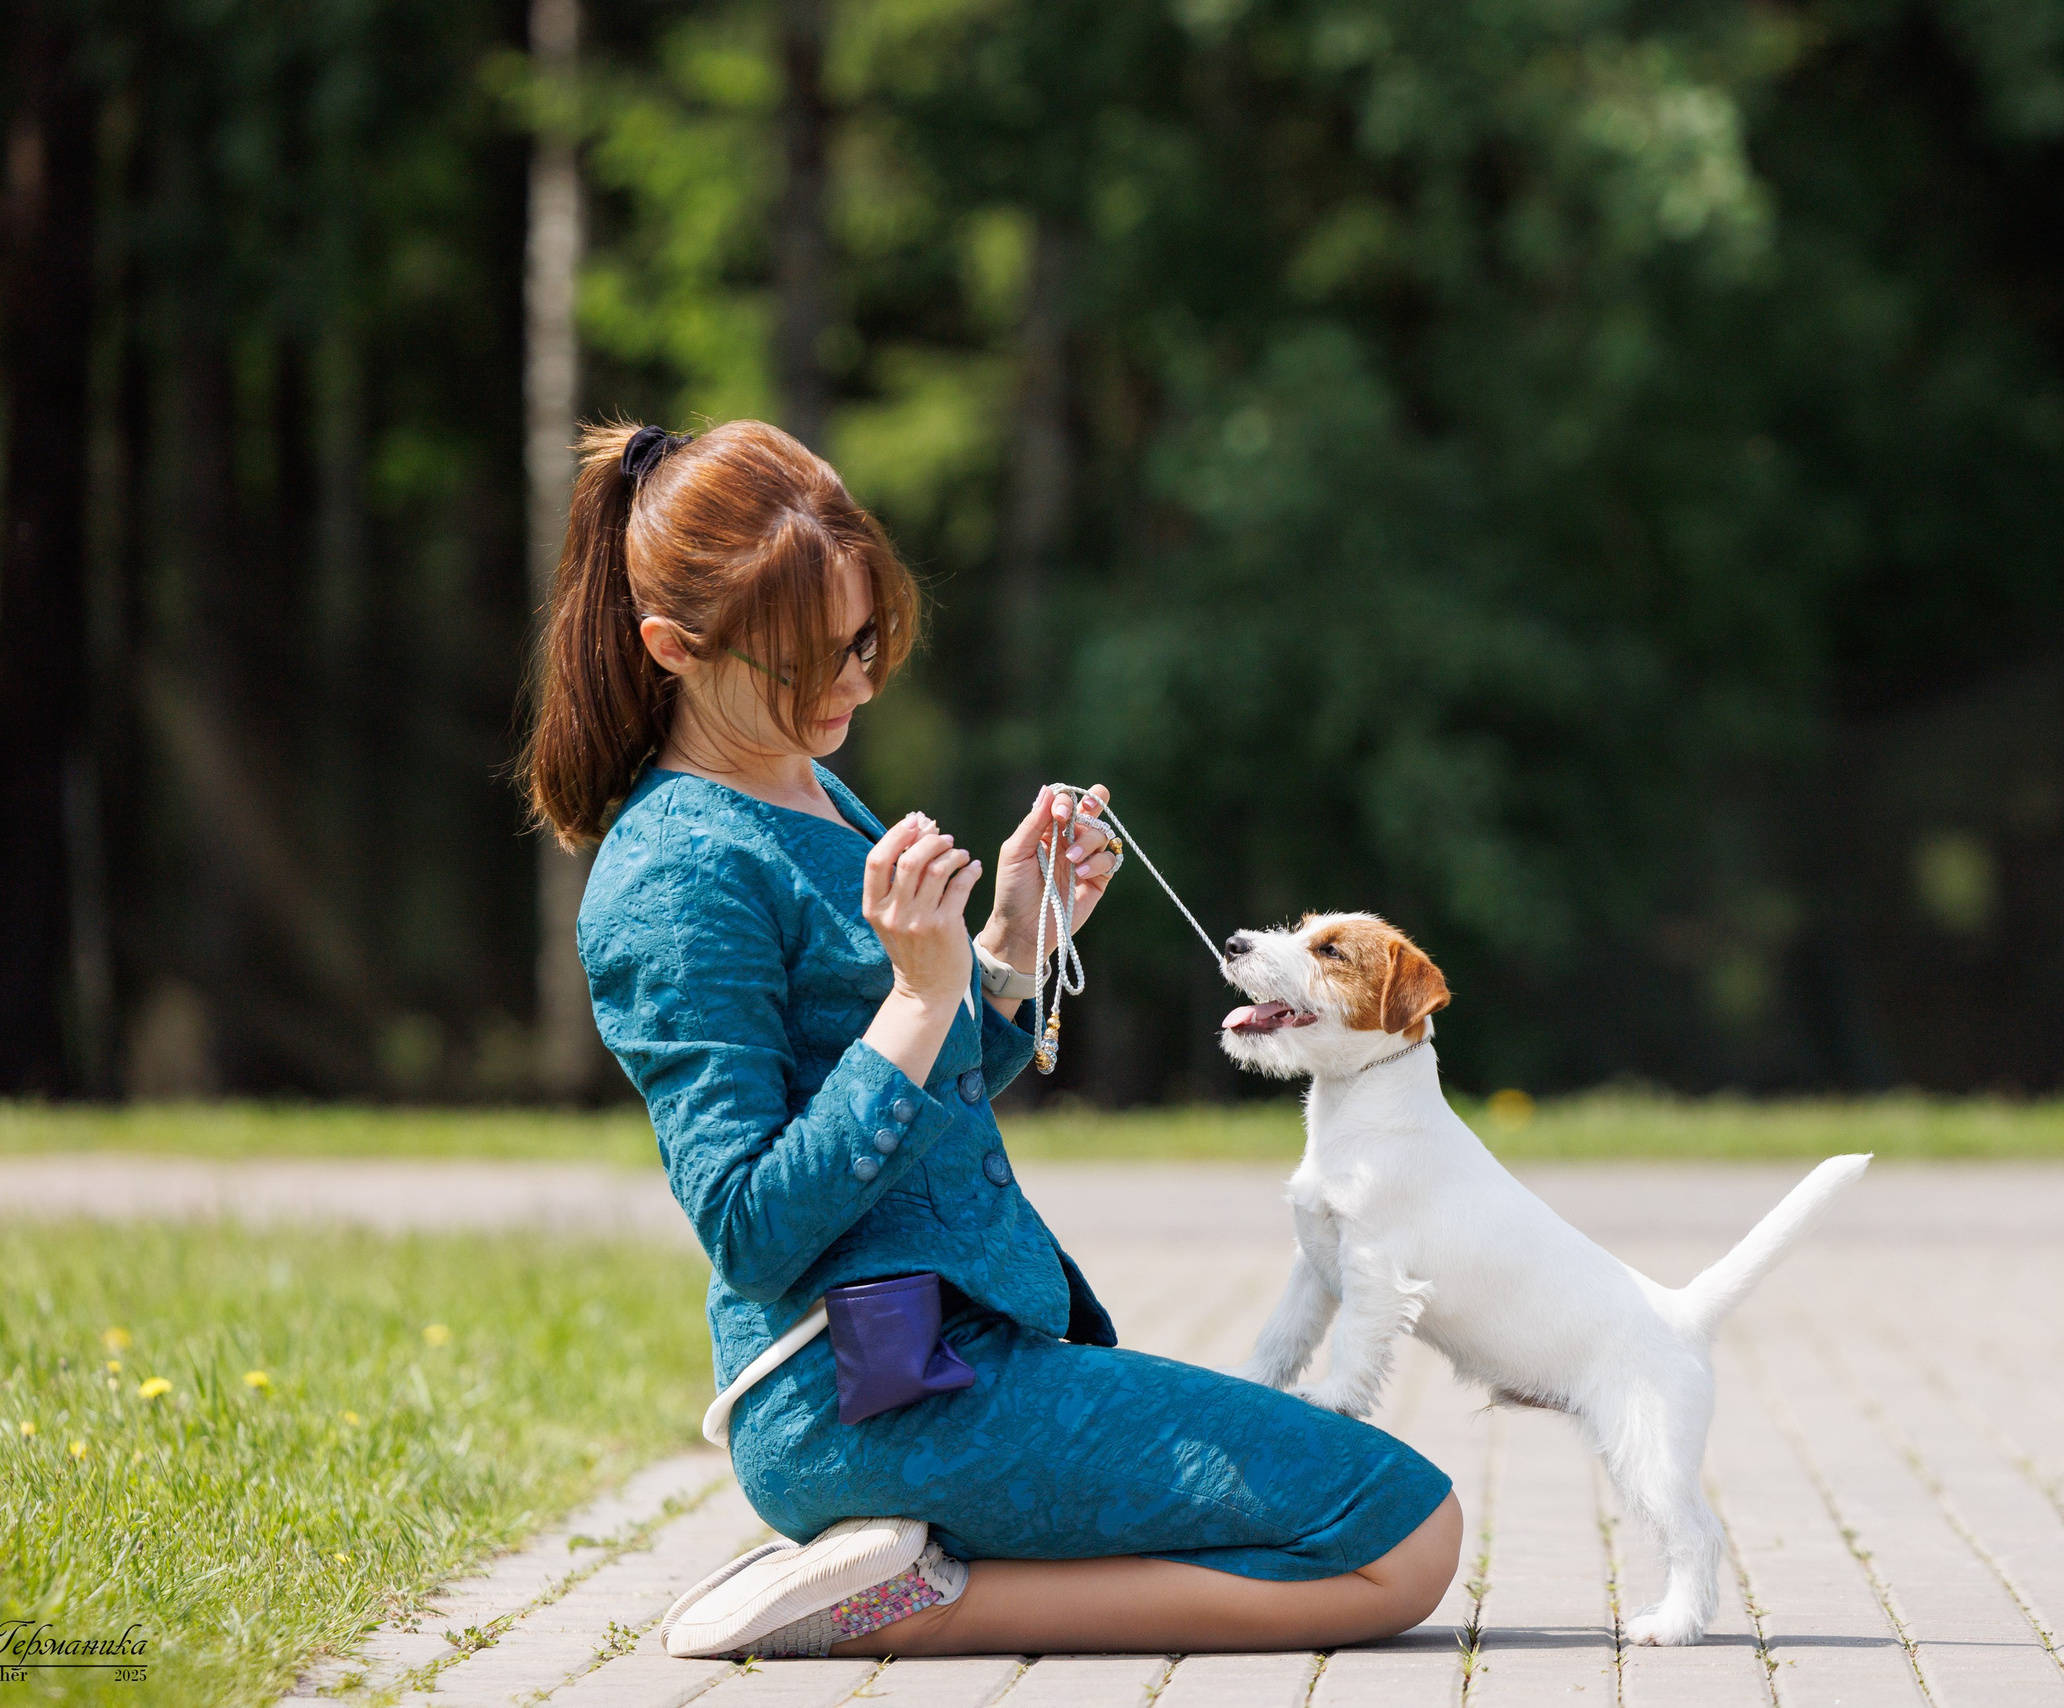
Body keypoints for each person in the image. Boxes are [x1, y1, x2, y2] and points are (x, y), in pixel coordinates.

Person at [522, 418, 1460, 1659]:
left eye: (866, 640)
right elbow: (748, 1227)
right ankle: (894, 1599)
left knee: (1387, 1521)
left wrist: (1011, 944)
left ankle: (908, 1563)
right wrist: (919, 997)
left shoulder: (800, 777)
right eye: (811, 659)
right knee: (1405, 1536)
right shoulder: (670, 874)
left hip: (954, 1355)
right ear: (672, 648)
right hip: (857, 1395)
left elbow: (929, 1094)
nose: (857, 683)